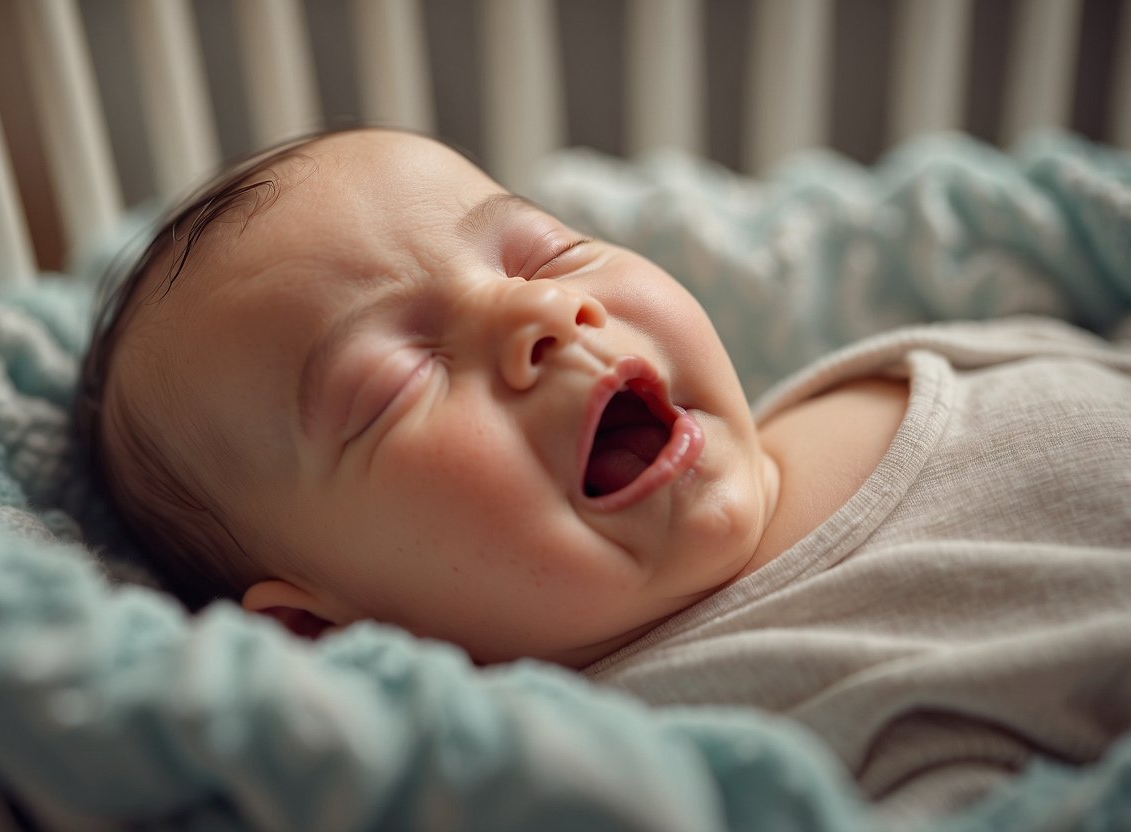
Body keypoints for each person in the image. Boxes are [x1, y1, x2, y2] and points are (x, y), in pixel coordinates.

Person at [78, 127, 1131, 818]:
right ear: (333, 636)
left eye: (543, 253)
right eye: (393, 382)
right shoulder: (678, 757)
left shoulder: (873, 370)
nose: (538, 313)